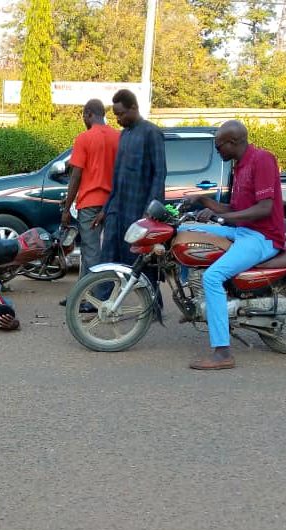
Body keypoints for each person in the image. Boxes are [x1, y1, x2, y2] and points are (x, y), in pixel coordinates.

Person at [181, 121, 284, 370]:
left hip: (263, 237)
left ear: (234, 141)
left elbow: (264, 208)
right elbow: (235, 209)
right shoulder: (239, 166)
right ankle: (192, 293)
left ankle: (222, 352)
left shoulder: (262, 160)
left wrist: (223, 218)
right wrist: (202, 202)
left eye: (219, 146)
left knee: (213, 277)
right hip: (243, 231)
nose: (218, 151)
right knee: (185, 230)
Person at [94, 89, 166, 268]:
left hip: (138, 214)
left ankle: (152, 297)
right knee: (107, 264)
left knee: (140, 268)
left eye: (121, 114)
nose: (118, 119)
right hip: (116, 213)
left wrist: (149, 213)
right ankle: (101, 297)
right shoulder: (124, 135)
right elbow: (117, 177)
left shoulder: (152, 133)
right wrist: (106, 209)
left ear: (133, 107)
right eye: (116, 115)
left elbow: (159, 174)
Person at [60, 99, 120, 296]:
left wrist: (67, 207)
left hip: (90, 203)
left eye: (84, 116)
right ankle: (80, 294)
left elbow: (76, 175)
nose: (84, 120)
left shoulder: (84, 138)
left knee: (91, 251)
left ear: (89, 114)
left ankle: (95, 297)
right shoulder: (118, 137)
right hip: (112, 203)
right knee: (103, 251)